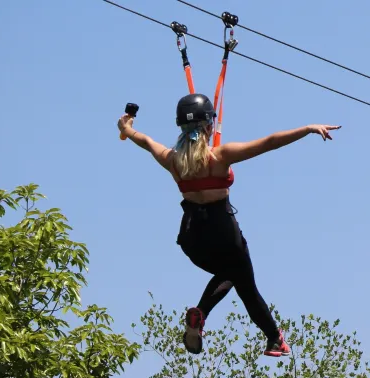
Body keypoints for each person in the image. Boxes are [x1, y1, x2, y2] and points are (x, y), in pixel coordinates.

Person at [117, 93, 341, 357]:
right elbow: (270, 143)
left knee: (231, 275)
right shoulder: (220, 156)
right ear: (209, 126)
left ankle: (219, 321)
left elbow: (146, 141)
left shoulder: (172, 160)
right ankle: (271, 339)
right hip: (224, 234)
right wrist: (307, 129)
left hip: (191, 238)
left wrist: (126, 129)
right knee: (245, 285)